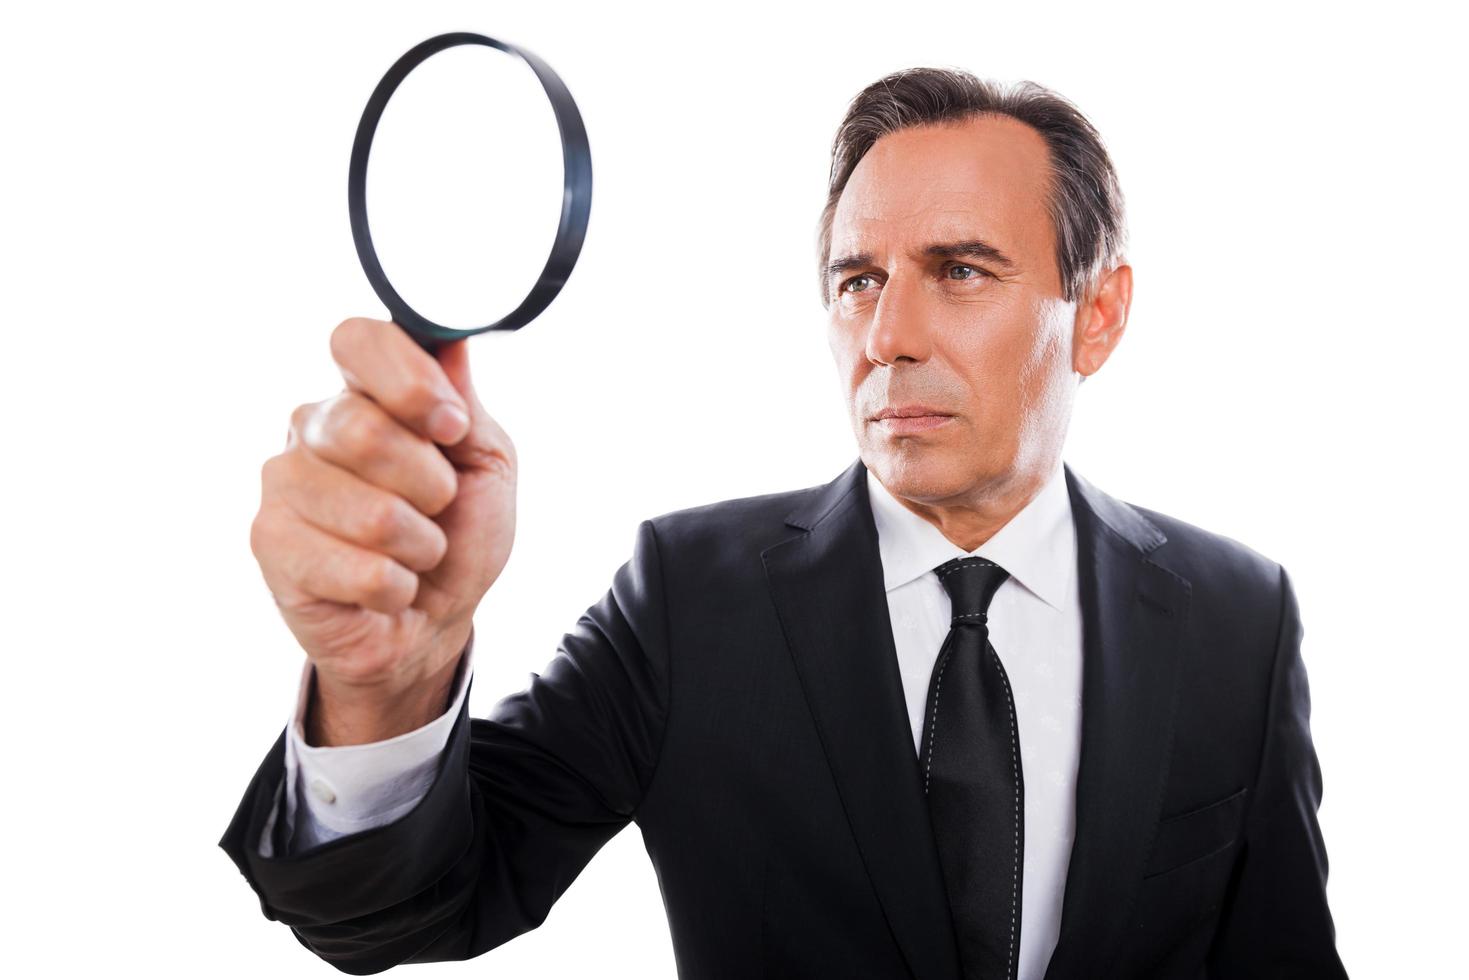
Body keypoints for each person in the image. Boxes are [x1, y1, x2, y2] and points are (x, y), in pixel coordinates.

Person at [220, 68, 1349, 979]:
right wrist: (382, 682)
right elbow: (400, 912)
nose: (887, 333)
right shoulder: (688, 596)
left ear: (1094, 316)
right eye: (856, 279)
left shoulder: (1235, 617)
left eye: (959, 270)